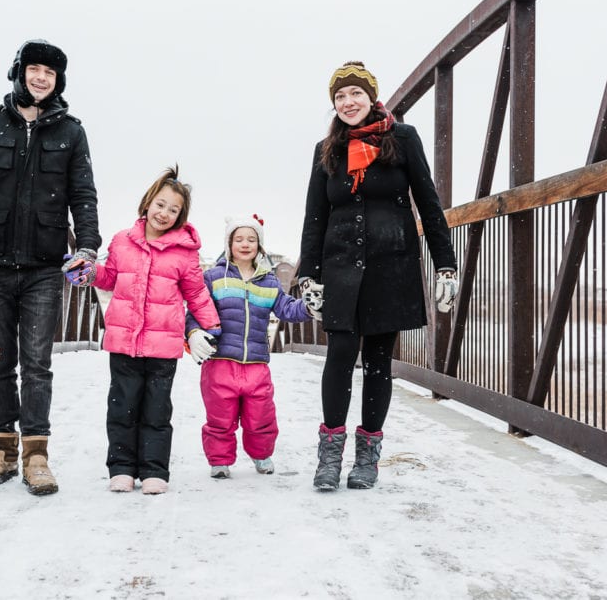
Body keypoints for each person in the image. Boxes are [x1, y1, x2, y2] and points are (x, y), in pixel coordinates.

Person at [0, 39, 101, 497]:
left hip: (44, 267)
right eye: (34, 69)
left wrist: (88, 246)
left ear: (58, 80)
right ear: (20, 72)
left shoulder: (71, 132)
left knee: (37, 364)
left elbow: (83, 195)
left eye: (50, 72)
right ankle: (2, 452)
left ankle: (37, 456)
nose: (41, 78)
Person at [298, 60, 459, 491]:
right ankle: (329, 456)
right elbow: (315, 217)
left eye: (355, 93)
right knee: (339, 356)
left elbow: (429, 203)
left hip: (391, 266)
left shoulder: (402, 138)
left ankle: (367, 457)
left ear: (371, 97)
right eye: (339, 96)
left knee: (377, 363)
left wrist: (446, 264)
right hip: (340, 268)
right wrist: (308, 275)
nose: (348, 102)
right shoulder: (326, 150)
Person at [87, 166, 220, 495]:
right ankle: (121, 468)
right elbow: (109, 278)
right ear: (147, 203)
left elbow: (196, 293)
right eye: (160, 204)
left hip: (163, 347)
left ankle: (154, 470)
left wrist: (212, 326)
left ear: (180, 216)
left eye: (173, 210)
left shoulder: (185, 253)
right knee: (122, 407)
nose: (164, 213)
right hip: (124, 341)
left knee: (157, 410)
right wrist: (90, 273)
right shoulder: (122, 241)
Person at [185, 214, 313, 479]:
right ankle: (220, 461)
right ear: (229, 243)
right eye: (239, 239)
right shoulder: (214, 277)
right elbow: (196, 310)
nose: (245, 244)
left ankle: (262, 454)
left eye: (252, 239)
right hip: (220, 362)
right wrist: (194, 332)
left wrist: (309, 306)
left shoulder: (269, 282)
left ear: (259, 245)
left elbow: (287, 309)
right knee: (220, 417)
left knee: (261, 416)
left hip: (256, 364)